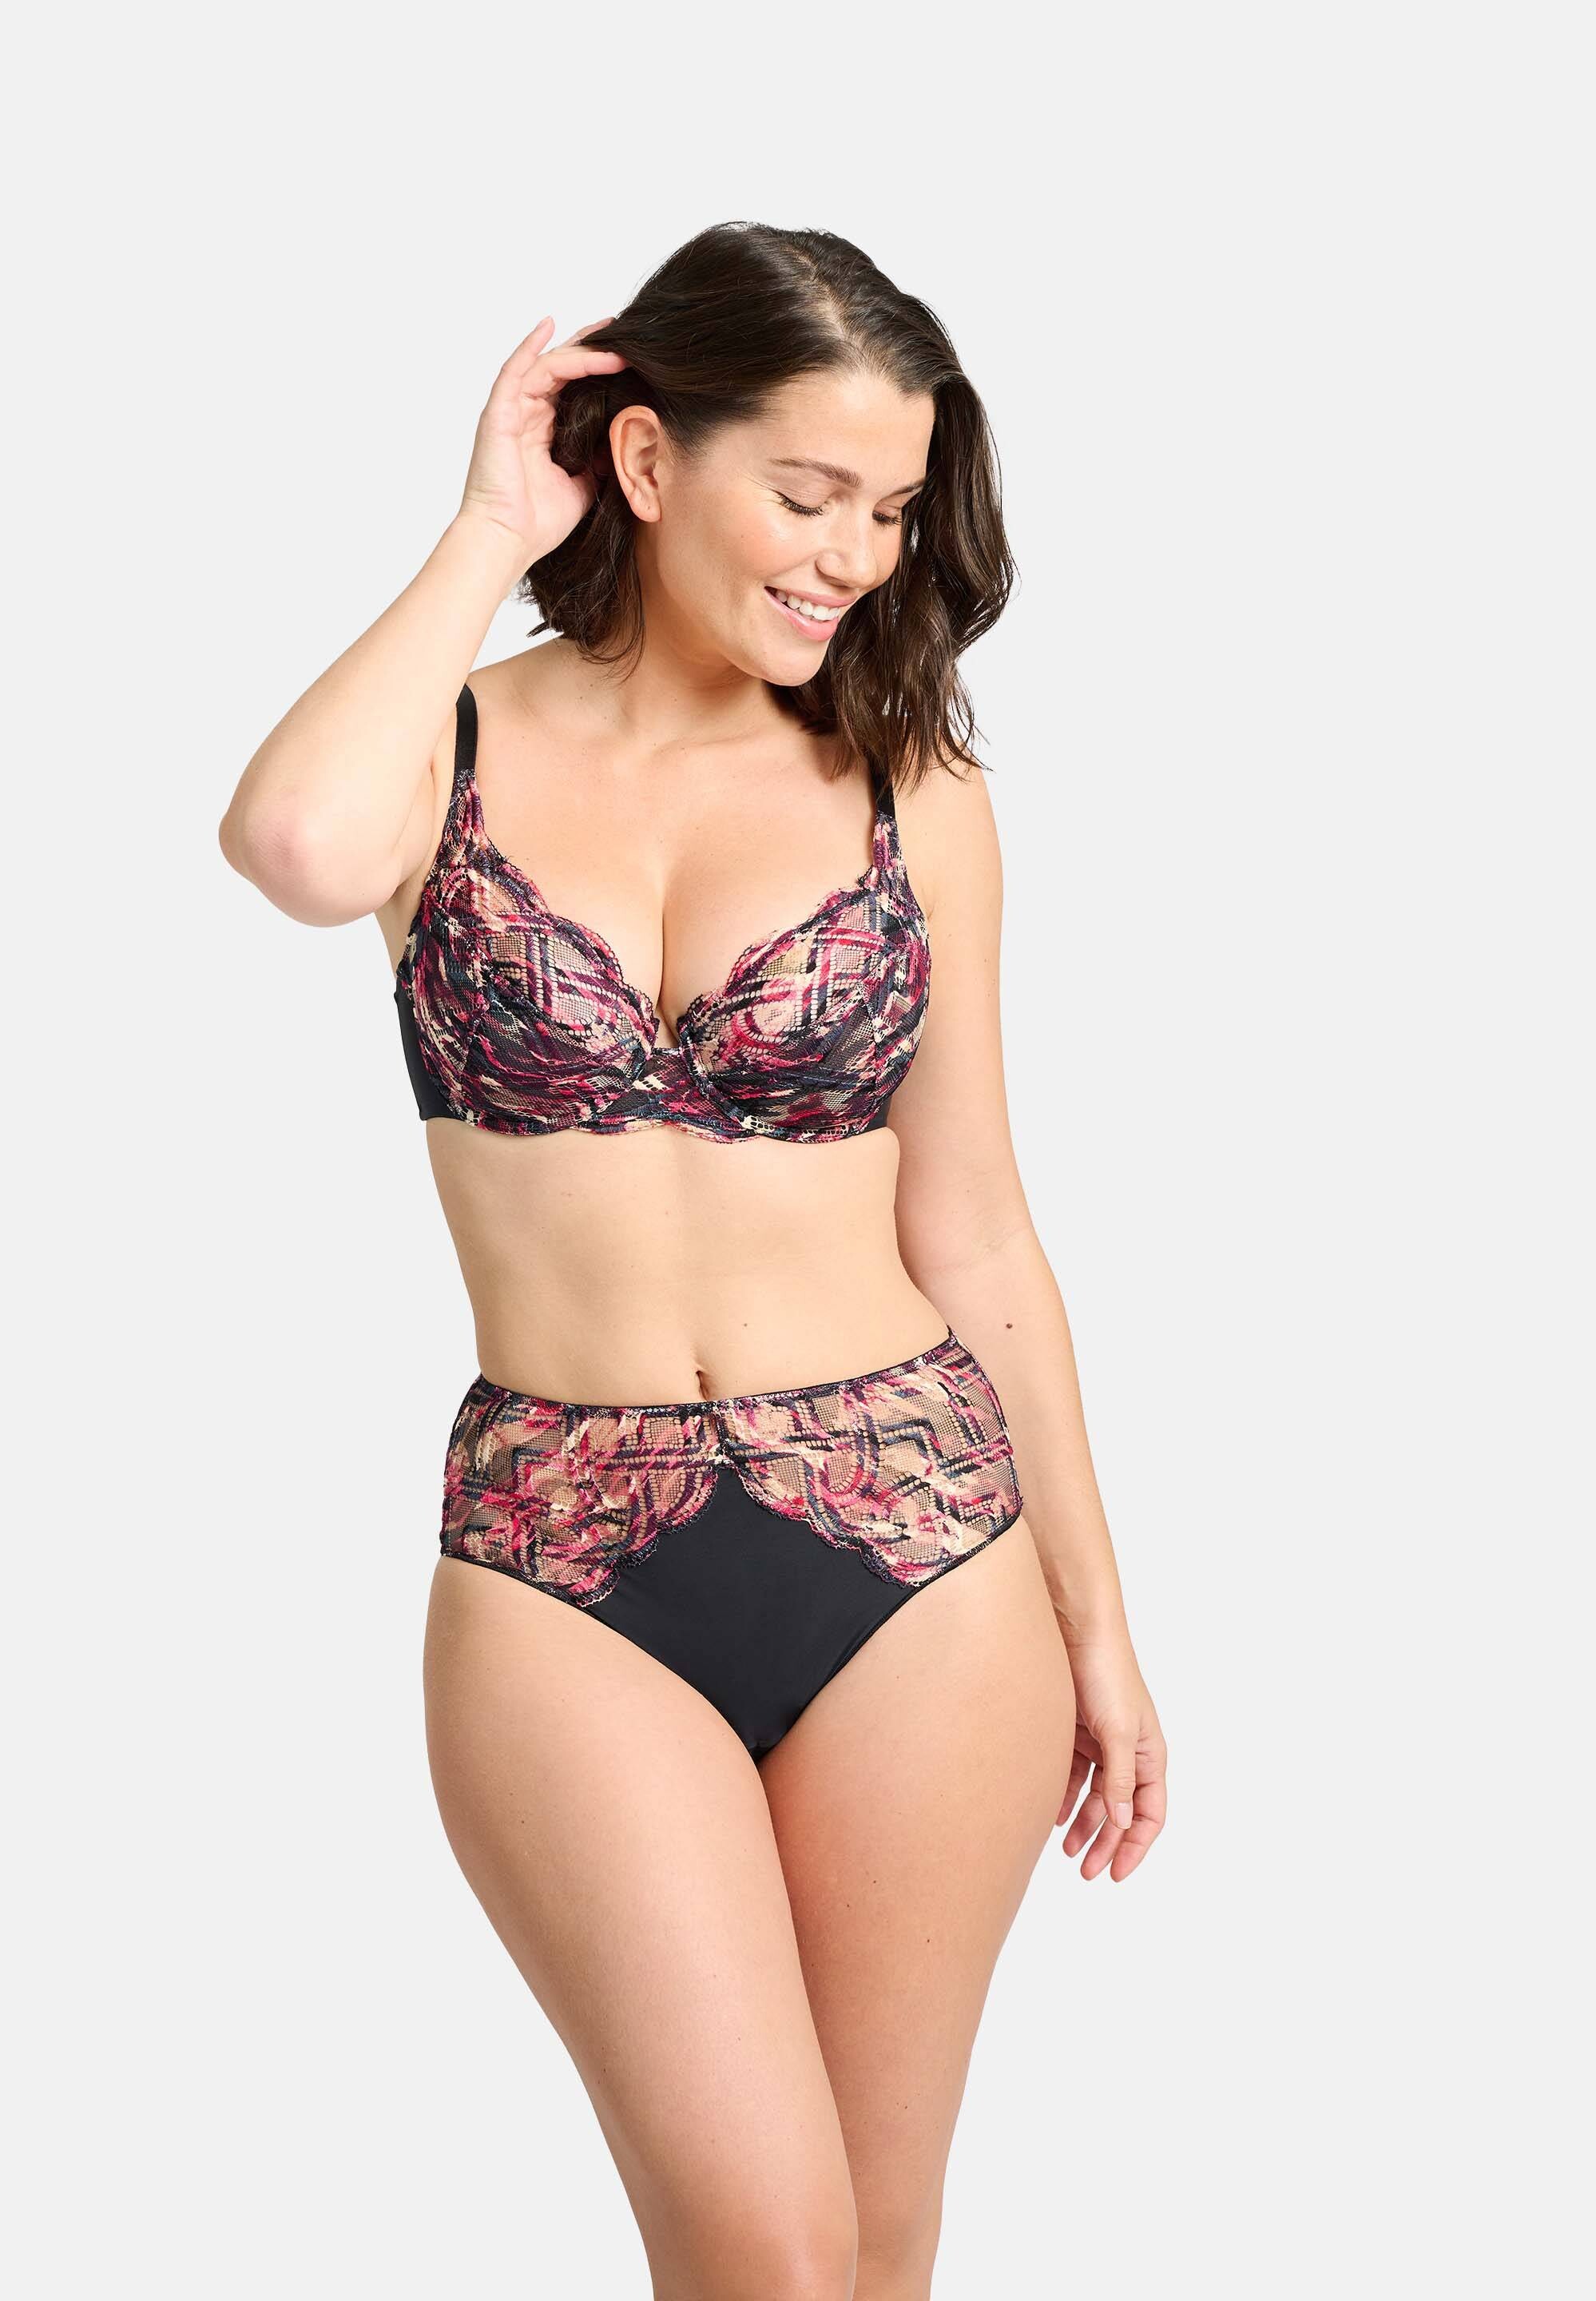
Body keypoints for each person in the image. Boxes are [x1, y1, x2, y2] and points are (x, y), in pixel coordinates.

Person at [220, 222, 1167, 2301]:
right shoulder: (450, 748)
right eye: (809, 494)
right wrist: (490, 526)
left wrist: (1100, 1627)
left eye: (891, 510)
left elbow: (975, 1225)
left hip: (922, 1542)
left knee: (877, 2246)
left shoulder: (910, 786)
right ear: (648, 462)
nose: (854, 558)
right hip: (563, 1550)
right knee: (762, 2247)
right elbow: (292, 849)